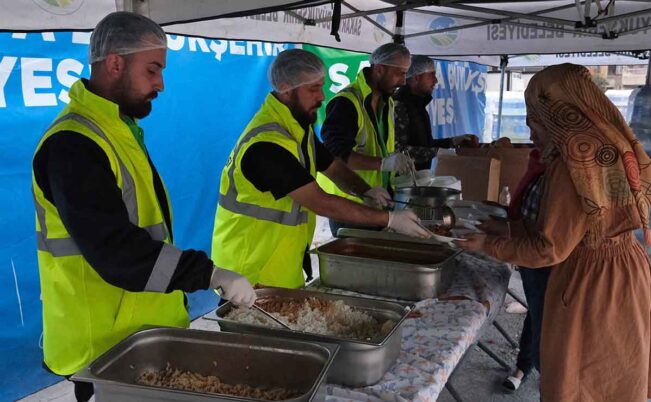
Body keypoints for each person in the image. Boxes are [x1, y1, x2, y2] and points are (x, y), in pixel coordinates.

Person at [31, 12, 257, 401]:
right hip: (103, 350)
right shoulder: (73, 145)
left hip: (139, 337)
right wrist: (209, 274)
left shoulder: (117, 129)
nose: (161, 84)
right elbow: (115, 250)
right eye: (152, 70)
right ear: (115, 63)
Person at [457, 64, 651, 401]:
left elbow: (549, 248)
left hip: (593, 282)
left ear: (558, 114)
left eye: (535, 119)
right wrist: (508, 228)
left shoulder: (575, 162)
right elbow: (579, 225)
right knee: (613, 375)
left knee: (583, 378)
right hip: (626, 270)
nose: (529, 130)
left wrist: (489, 244)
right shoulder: (609, 143)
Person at [211, 49, 429, 289]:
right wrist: (389, 219)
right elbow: (320, 202)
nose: (322, 96)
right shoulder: (267, 144)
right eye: (313, 89)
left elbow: (332, 166)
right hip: (247, 274)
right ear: (285, 89)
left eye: (322, 86)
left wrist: (365, 190)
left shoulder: (297, 128)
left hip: (279, 267)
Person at [478, 133, 550, 393]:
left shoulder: (563, 173)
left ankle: (533, 369)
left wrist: (491, 243)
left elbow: (547, 240)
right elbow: (529, 218)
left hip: (543, 259)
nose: (532, 135)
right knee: (537, 309)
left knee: (544, 316)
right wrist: (504, 221)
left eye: (538, 128)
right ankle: (525, 365)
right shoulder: (540, 161)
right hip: (530, 255)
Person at [319, 43, 414, 236]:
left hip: (377, 199)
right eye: (400, 73)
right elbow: (335, 154)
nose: (403, 81)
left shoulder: (387, 101)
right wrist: (384, 164)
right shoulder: (346, 102)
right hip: (350, 204)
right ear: (379, 69)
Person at [393, 55, 478, 170]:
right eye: (431, 75)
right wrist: (438, 152)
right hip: (400, 178)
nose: (436, 81)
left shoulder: (418, 105)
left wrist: (451, 142)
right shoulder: (399, 105)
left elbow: (424, 145)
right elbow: (398, 152)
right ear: (417, 77)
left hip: (418, 175)